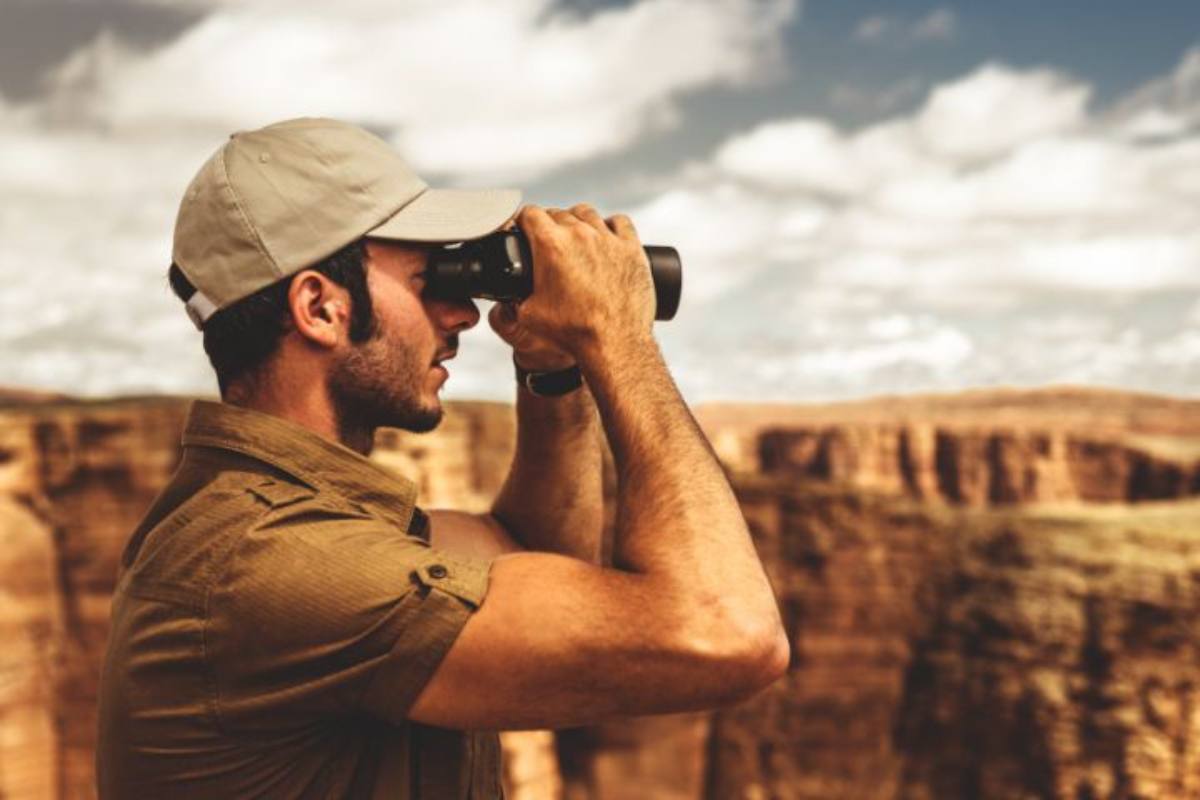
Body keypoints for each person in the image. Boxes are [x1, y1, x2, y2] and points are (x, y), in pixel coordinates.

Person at [96, 117, 788, 799]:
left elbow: (536, 554)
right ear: (320, 307)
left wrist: (553, 369)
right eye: (432, 277)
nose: (462, 313)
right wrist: (616, 335)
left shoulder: (292, 519)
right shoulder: (275, 564)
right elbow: (727, 632)